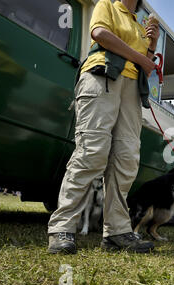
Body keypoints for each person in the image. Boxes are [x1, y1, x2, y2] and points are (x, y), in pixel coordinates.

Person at [47, 0, 159, 254]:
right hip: (102, 76)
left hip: (131, 89)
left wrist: (151, 45)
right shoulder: (107, 4)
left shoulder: (140, 24)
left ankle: (117, 232)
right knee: (92, 152)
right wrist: (142, 56)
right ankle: (62, 227)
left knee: (126, 158)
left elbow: (146, 64)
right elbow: (100, 34)